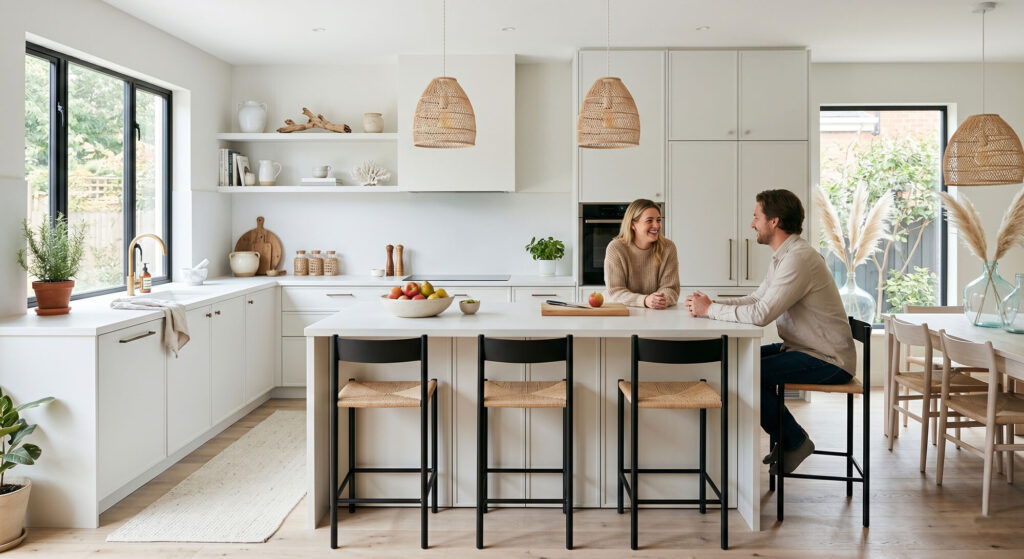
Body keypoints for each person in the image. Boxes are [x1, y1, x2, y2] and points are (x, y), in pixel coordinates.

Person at [685, 189, 856, 474]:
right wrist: (712, 304)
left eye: (756, 217)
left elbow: (761, 315)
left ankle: (794, 441)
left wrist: (709, 310)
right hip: (803, 349)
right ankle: (786, 441)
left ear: (774, 221)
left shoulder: (798, 259)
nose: (752, 223)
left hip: (827, 360)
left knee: (746, 371)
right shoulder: (784, 256)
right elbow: (756, 299)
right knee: (735, 362)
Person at [603, 198, 680, 309]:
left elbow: (671, 288)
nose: (656, 226)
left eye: (658, 220)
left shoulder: (668, 248)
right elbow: (615, 292)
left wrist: (661, 299)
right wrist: (644, 300)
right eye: (649, 220)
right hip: (623, 311)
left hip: (656, 313)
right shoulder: (616, 248)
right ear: (633, 224)